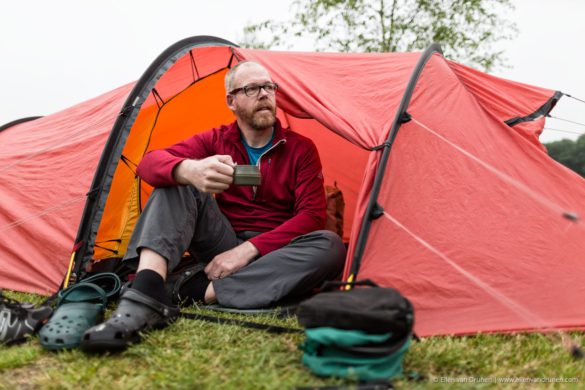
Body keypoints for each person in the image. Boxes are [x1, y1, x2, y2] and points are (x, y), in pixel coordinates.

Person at [81, 61, 346, 352]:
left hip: (276, 254)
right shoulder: (216, 140)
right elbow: (149, 164)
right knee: (176, 181)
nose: (264, 94)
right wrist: (189, 170)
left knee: (330, 246)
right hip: (221, 241)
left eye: (269, 87)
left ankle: (193, 290)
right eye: (252, 88)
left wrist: (246, 251)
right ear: (231, 101)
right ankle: (147, 291)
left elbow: (311, 216)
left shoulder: (300, 148)